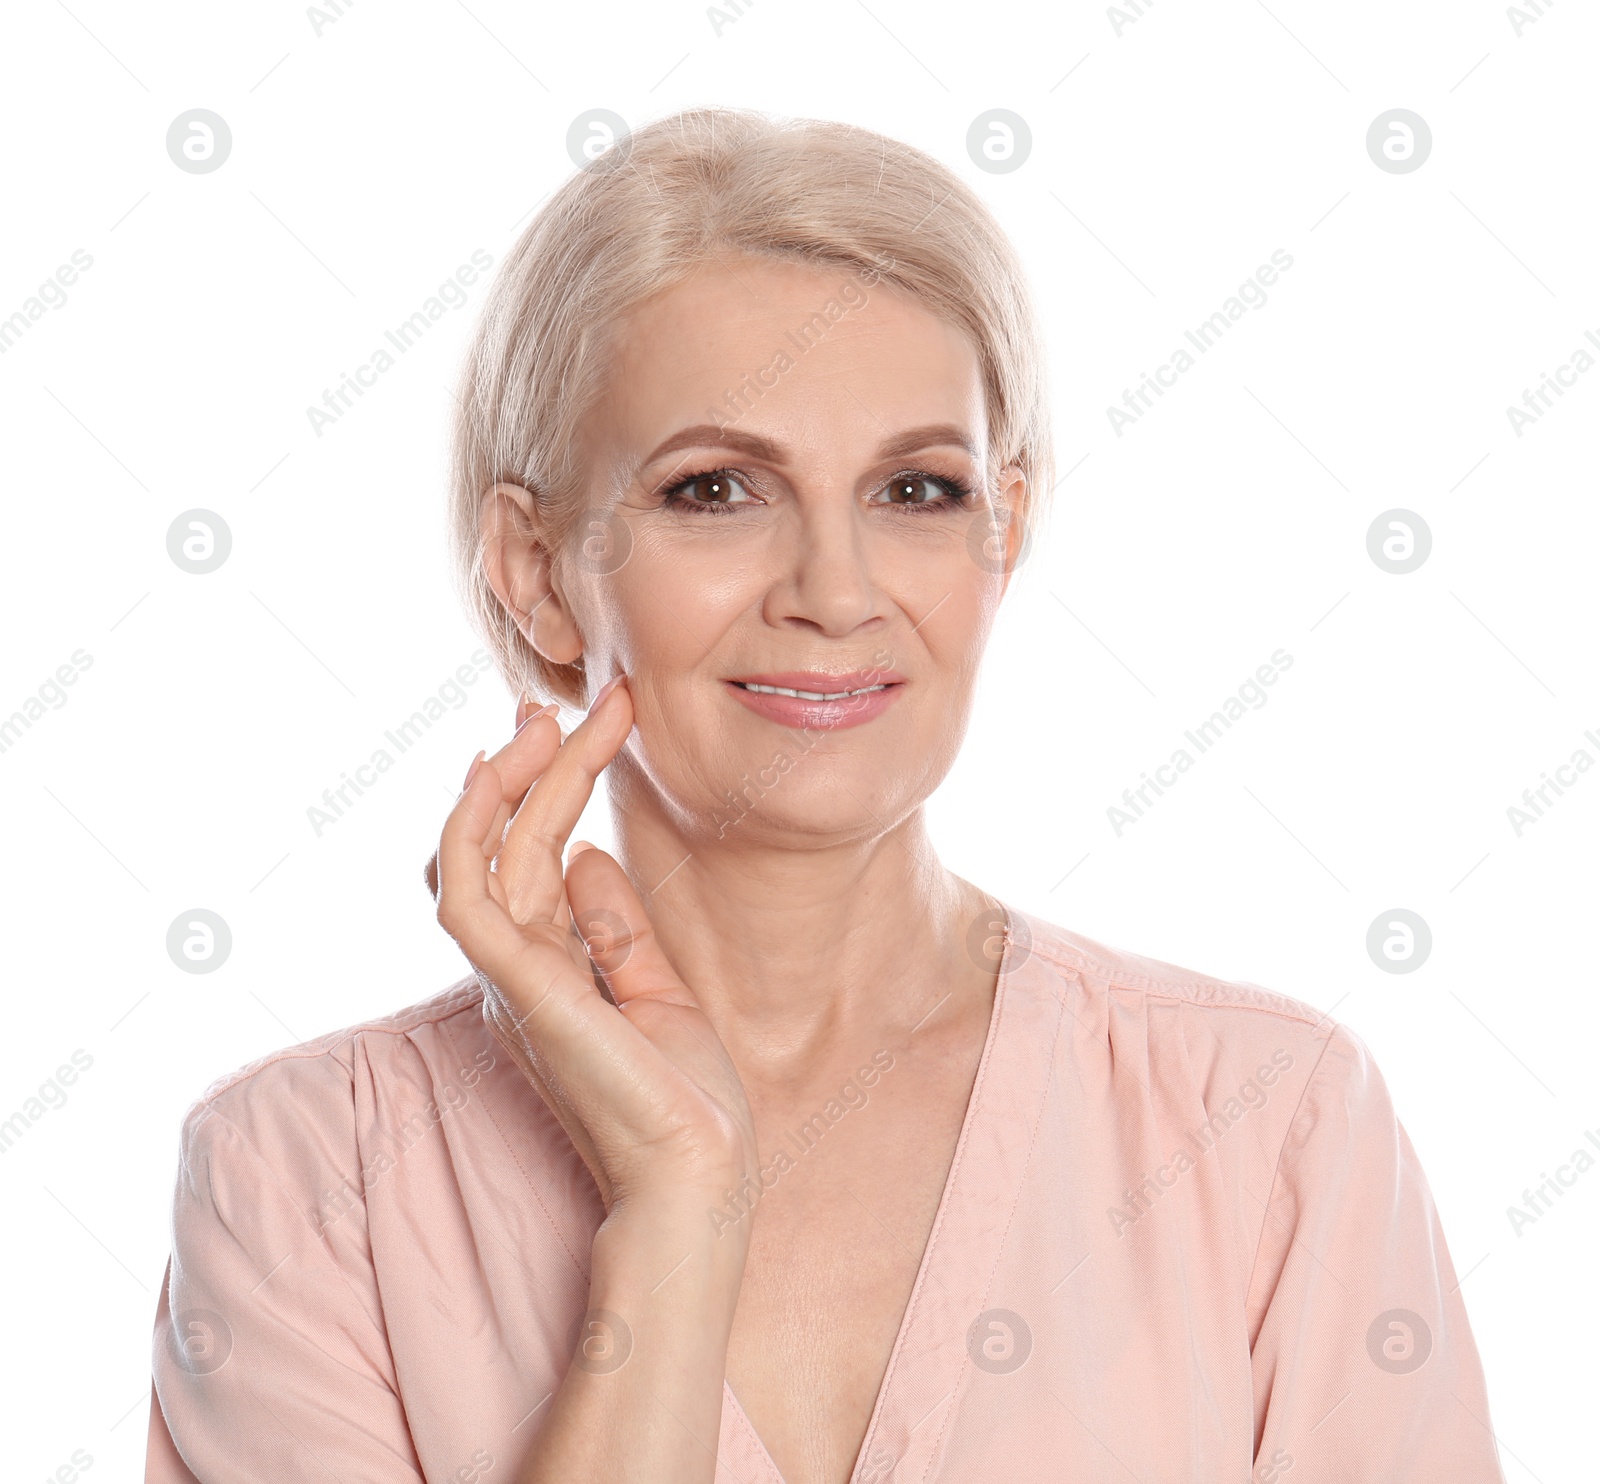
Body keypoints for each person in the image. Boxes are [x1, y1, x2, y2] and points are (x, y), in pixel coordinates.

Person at [145, 106, 1505, 1484]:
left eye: (915, 489)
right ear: (539, 571)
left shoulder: (1270, 1123)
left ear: (1002, 531)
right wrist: (677, 1211)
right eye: (717, 488)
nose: (837, 593)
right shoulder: (310, 1182)